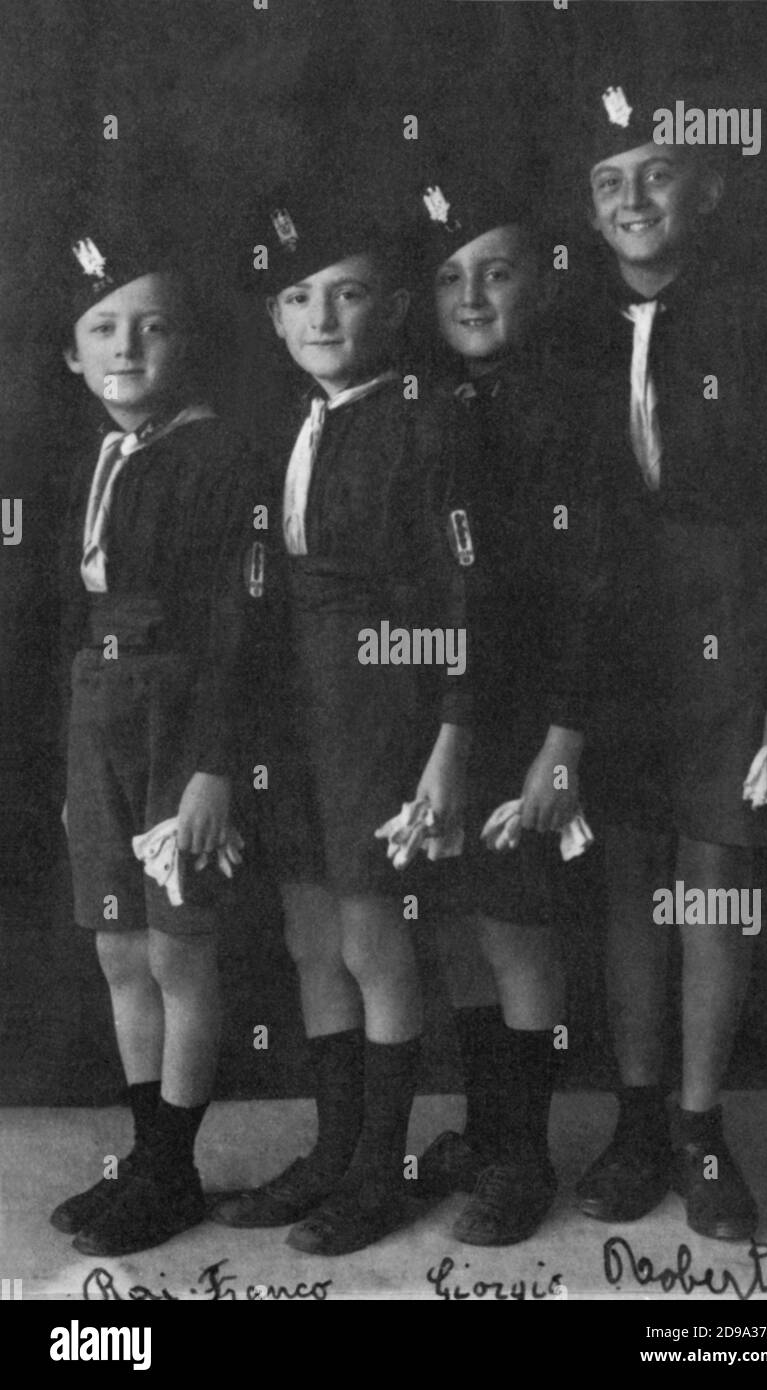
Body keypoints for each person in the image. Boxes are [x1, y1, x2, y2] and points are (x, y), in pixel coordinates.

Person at [566, 81, 767, 1240]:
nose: (633, 198)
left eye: (656, 172)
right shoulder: (572, 325)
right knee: (628, 880)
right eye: (609, 182)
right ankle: (634, 1119)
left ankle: (702, 1125)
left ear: (706, 185)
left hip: (741, 618)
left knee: (712, 879)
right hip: (617, 624)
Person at [212, 190, 470, 1255]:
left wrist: (452, 735)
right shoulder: (278, 426)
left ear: (396, 308)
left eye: (349, 294)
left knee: (373, 933)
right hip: (289, 709)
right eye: (299, 298)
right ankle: (331, 1147)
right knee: (309, 928)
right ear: (275, 321)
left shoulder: (424, 419)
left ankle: (382, 1168)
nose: (323, 318)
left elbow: (464, 591)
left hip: (380, 703)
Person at [50, 217, 256, 1256]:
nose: (127, 348)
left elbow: (231, 622)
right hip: (102, 705)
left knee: (179, 947)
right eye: (104, 328)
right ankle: (145, 1154)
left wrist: (214, 761)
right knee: (118, 942)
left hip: (181, 710)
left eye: (152, 327)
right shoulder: (98, 453)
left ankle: (173, 1168)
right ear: (75, 351)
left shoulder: (212, 454)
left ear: (187, 344)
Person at [414, 169, 594, 1245]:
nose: (473, 297)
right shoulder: (429, 403)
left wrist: (563, 740)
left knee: (519, 930)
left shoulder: (565, 407)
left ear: (541, 281)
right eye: (449, 277)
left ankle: (525, 1155)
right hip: (443, 705)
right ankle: (487, 1130)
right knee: (457, 929)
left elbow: (593, 590)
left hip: (528, 708)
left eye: (498, 272)